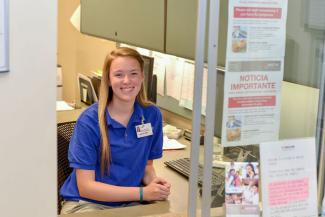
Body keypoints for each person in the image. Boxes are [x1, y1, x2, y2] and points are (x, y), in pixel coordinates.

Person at [60, 47, 171, 214]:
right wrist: (142, 193)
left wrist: (155, 184)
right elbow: (86, 187)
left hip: (129, 202)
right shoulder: (90, 121)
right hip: (87, 204)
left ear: (142, 77)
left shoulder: (151, 115)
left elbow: (147, 167)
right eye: (119, 75)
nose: (127, 81)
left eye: (133, 73)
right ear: (108, 80)